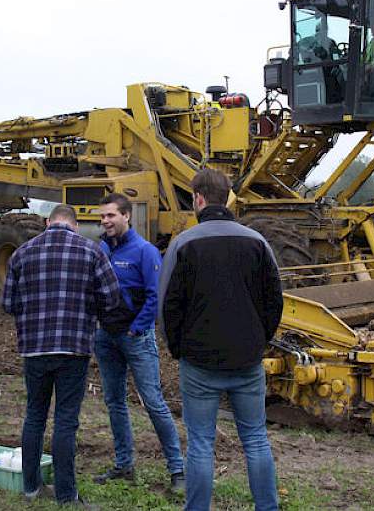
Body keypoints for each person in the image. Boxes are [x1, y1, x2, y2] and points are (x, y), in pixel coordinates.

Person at [159, 169, 283, 511]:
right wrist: (260, 340)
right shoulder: (257, 243)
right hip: (247, 359)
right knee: (256, 440)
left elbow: (168, 304)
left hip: (198, 363)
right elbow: (274, 301)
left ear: (198, 199)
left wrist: (177, 347)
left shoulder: (183, 244)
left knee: (200, 443)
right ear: (227, 197)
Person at [2, 204, 119, 507]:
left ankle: (31, 488)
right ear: (75, 226)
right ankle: (66, 496)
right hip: (73, 348)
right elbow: (111, 300)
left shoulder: (21, 254)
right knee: (66, 421)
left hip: (34, 349)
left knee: (35, 417)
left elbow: (9, 304)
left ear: (46, 222)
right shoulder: (92, 252)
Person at [92, 193, 185, 493]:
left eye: (111, 216)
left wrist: (135, 330)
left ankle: (178, 471)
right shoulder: (100, 249)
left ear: (126, 216)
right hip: (105, 338)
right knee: (114, 402)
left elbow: (155, 296)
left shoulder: (144, 251)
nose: (105, 221)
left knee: (154, 403)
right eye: (103, 216)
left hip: (136, 339)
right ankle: (124, 465)